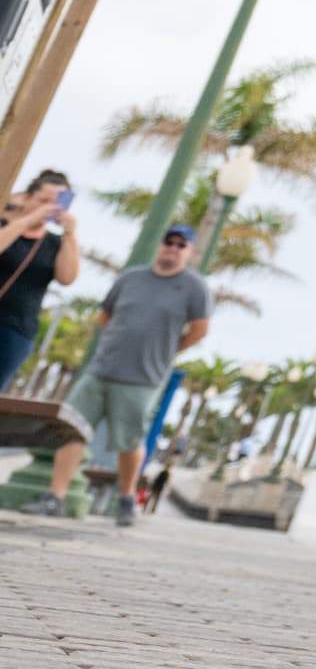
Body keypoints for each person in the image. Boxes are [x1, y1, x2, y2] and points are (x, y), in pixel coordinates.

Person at [33, 223, 211, 524]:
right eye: (169, 241)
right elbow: (105, 315)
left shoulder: (195, 287)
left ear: (191, 251)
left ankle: (126, 498)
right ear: (161, 244)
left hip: (143, 378)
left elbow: (199, 330)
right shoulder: (131, 278)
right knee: (71, 430)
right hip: (101, 369)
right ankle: (55, 497)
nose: (173, 247)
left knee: (129, 442)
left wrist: (167, 351)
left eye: (182, 244)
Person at [0, 167, 86, 394]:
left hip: (15, 328)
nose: (49, 207)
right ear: (28, 198)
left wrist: (70, 234)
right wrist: (26, 221)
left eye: (57, 202)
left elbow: (67, 278)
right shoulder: (5, 225)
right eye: (43, 200)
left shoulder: (54, 243)